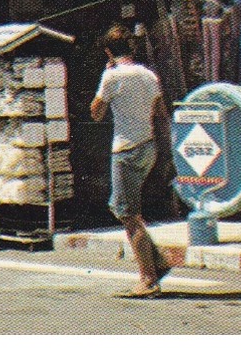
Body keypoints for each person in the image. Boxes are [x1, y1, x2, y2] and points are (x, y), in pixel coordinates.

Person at [90, 37, 171, 298]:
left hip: (125, 150)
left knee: (128, 214)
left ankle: (148, 279)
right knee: (126, 209)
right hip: (148, 146)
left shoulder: (111, 76)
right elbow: (160, 111)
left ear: (108, 52)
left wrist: (105, 77)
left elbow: (96, 113)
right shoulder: (148, 74)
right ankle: (156, 259)